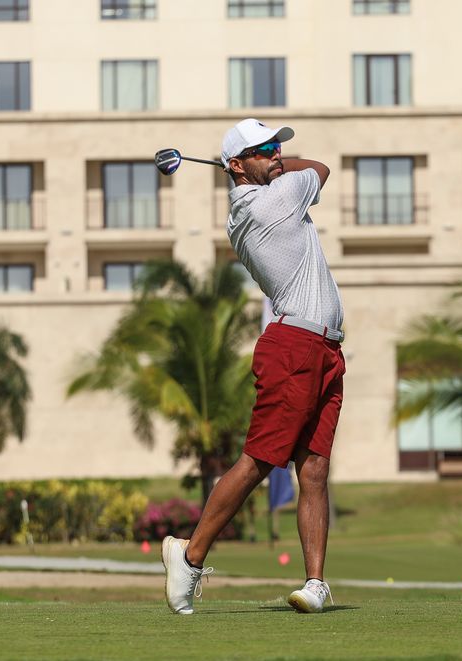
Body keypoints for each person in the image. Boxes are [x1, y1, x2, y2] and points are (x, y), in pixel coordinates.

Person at [162, 118, 346, 615]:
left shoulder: (263, 198)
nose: (276, 154)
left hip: (324, 349)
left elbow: (303, 171)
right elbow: (322, 167)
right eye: (262, 150)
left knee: (314, 467)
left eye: (276, 146)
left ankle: (315, 584)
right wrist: (284, 168)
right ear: (237, 165)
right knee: (261, 459)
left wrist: (270, 166)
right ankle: (190, 554)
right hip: (296, 347)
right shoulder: (270, 202)